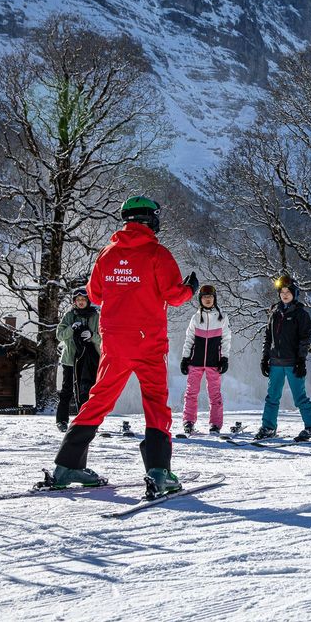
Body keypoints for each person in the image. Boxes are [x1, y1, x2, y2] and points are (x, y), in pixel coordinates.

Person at [50, 196, 197, 493]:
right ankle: (159, 470)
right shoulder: (157, 253)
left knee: (99, 398)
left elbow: (96, 294)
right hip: (148, 341)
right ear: (150, 220)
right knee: (155, 402)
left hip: (115, 340)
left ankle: (67, 465)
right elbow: (173, 296)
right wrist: (190, 289)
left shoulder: (107, 253)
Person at [256, 274, 311, 441]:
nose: (285, 294)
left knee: (299, 397)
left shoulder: (301, 314)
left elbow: (305, 339)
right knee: (272, 397)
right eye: (282, 291)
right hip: (276, 363)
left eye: (288, 291)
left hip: (293, 363)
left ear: (294, 293)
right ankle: (268, 427)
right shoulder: (274, 312)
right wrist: (265, 358)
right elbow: (268, 337)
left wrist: (301, 360)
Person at [180, 284, 232, 435]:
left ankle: (215, 423)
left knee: (214, 393)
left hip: (213, 362)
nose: (207, 300)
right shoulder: (196, 318)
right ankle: (188, 421)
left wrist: (224, 358)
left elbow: (226, 339)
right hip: (195, 361)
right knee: (191, 392)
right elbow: (189, 339)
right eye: (204, 297)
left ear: (214, 299)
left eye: (210, 297)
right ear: (200, 299)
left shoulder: (222, 317)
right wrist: (185, 358)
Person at [54, 289, 101, 432]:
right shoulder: (69, 316)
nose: (81, 302)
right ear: (74, 302)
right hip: (70, 360)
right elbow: (60, 335)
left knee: (86, 390)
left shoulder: (96, 316)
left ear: (88, 301)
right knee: (67, 390)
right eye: (78, 300)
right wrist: (71, 329)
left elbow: (103, 337)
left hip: (89, 360)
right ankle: (61, 420)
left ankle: (86, 420)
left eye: (83, 299)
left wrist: (92, 335)